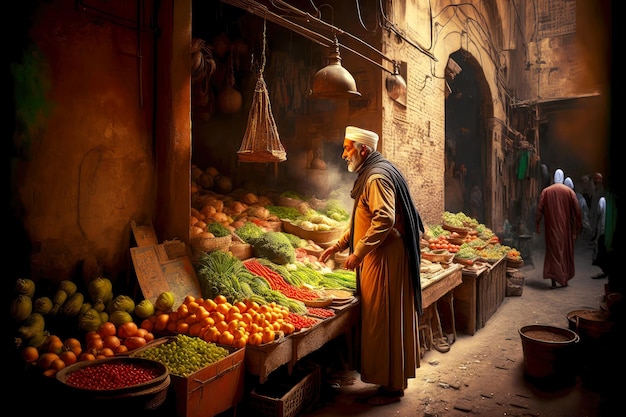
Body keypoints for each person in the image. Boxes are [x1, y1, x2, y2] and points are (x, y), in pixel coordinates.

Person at [319, 126, 424, 406]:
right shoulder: (375, 171)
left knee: (382, 320)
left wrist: (359, 252)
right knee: (386, 319)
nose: (343, 154)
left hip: (384, 259)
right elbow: (362, 219)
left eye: (347, 148)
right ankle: (392, 383)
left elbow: (384, 220)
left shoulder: (376, 177)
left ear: (362, 149)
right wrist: (340, 245)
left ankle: (390, 390)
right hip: (382, 255)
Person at [535, 168, 582, 288]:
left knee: (553, 254)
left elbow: (539, 210)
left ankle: (554, 281)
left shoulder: (546, 191)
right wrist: (578, 226)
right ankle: (564, 279)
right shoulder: (569, 192)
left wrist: (537, 224)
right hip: (565, 229)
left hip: (551, 228)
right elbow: (577, 211)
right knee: (563, 253)